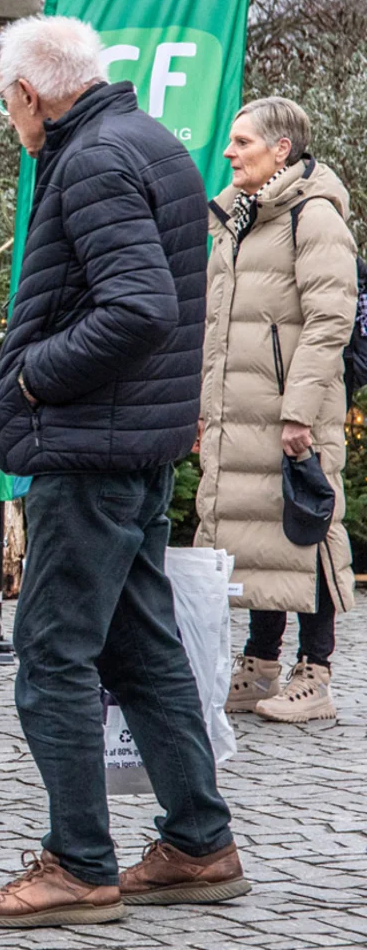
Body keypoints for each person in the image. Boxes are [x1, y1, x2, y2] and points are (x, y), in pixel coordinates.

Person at [0, 16, 245, 929]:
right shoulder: (149, 141)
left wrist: (32, 377)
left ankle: (79, 863)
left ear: (28, 94)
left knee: (51, 654)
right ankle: (199, 841)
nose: (10, 117)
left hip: (91, 450)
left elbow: (139, 306)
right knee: (142, 648)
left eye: (6, 101)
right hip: (133, 446)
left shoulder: (89, 159)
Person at [199, 98, 356, 724]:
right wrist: (205, 407)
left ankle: (315, 673)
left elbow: (329, 321)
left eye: (243, 142)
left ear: (281, 149)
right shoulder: (237, 216)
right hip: (242, 410)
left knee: (309, 528)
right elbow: (216, 324)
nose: (230, 152)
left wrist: (299, 413)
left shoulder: (314, 216)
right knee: (262, 534)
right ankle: (261, 663)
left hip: (295, 414)